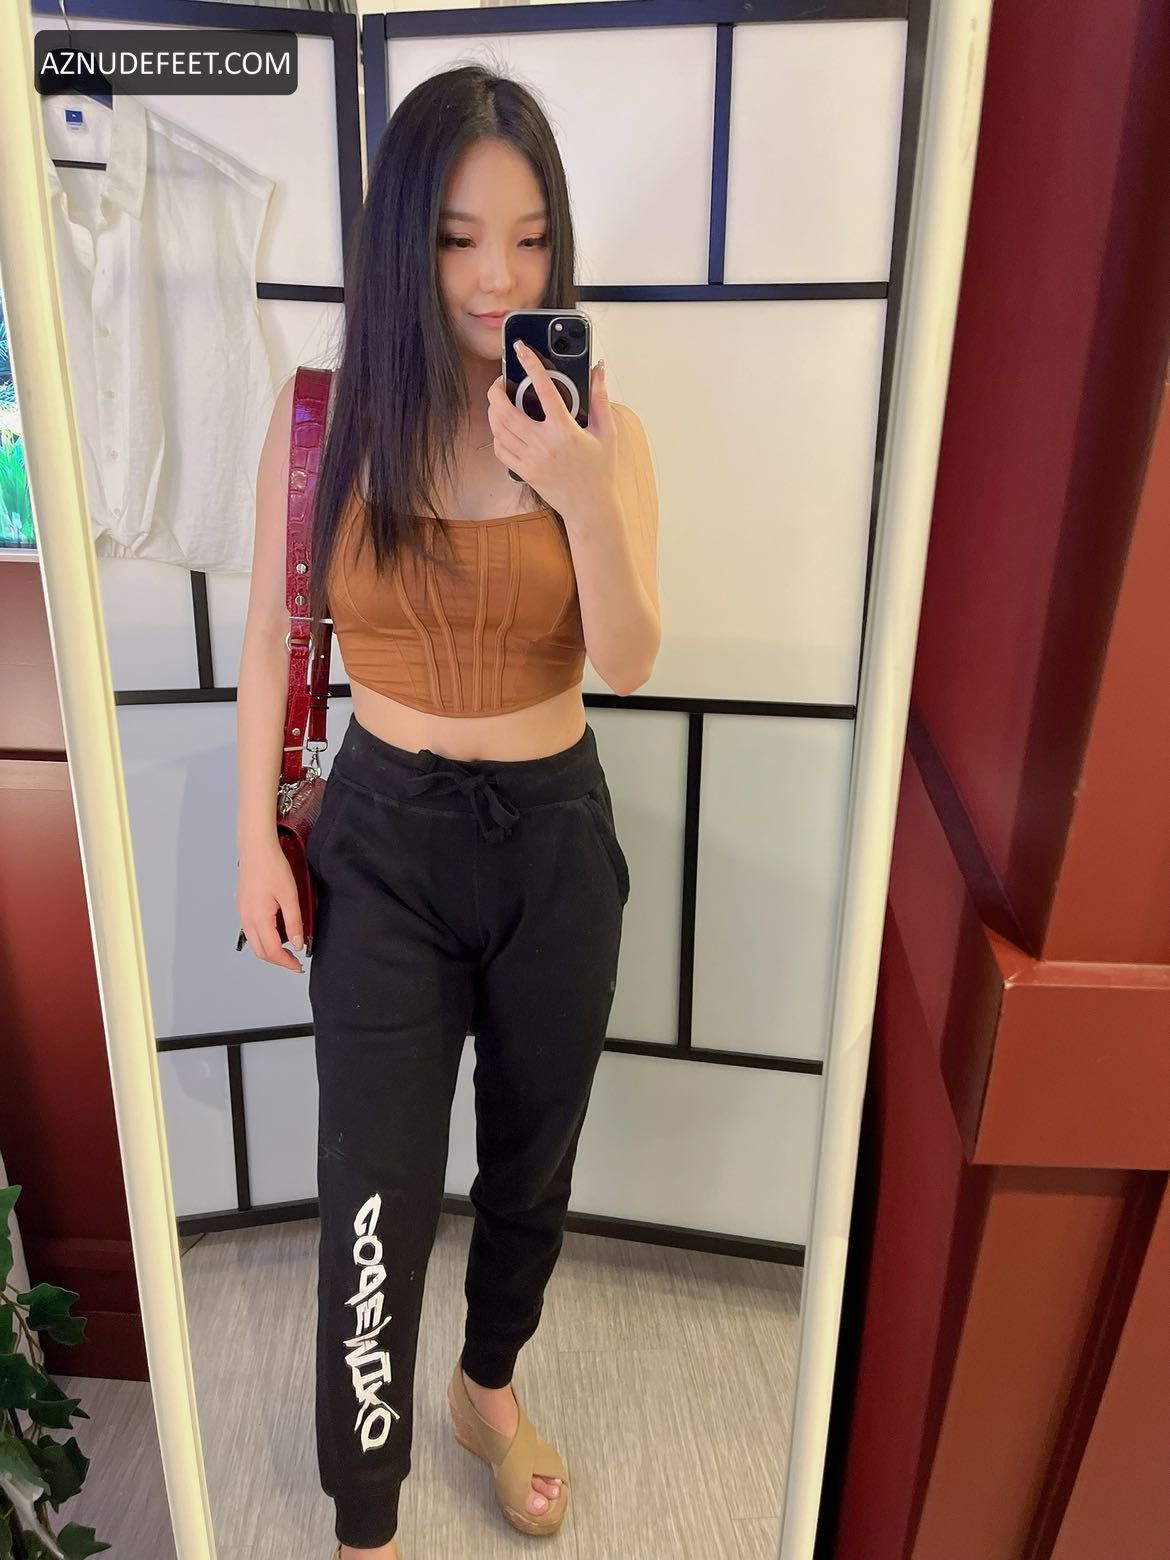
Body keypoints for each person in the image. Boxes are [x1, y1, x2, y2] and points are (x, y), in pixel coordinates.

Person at [235, 65, 660, 1560]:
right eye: (461, 239)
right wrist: (253, 839)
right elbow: (272, 639)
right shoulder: (325, 424)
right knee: (373, 1197)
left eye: (531, 240)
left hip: (553, 841)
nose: (498, 278)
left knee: (532, 1160)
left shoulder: (605, 434)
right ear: (403, 244)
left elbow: (630, 658)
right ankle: (367, 1517)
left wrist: (581, 490)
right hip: (383, 840)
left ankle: (487, 1389)